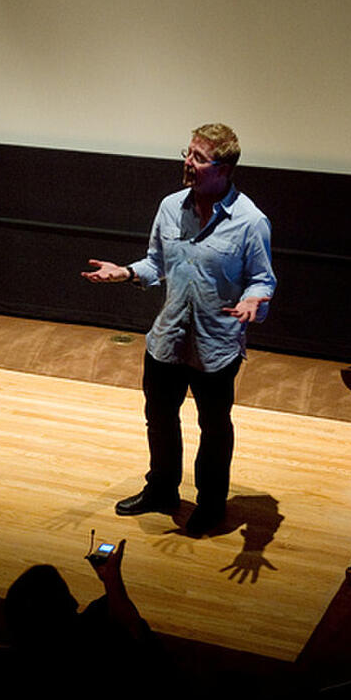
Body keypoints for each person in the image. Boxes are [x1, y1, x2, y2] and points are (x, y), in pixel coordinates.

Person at [82, 123, 276, 537]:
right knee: (160, 417)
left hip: (216, 345)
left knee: (214, 427)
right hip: (168, 339)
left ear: (224, 169)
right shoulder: (171, 207)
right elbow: (157, 263)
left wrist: (252, 301)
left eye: (199, 158)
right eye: (187, 153)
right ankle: (162, 491)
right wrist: (127, 272)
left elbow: (263, 280)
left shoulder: (250, 222)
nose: (187, 163)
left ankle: (210, 505)